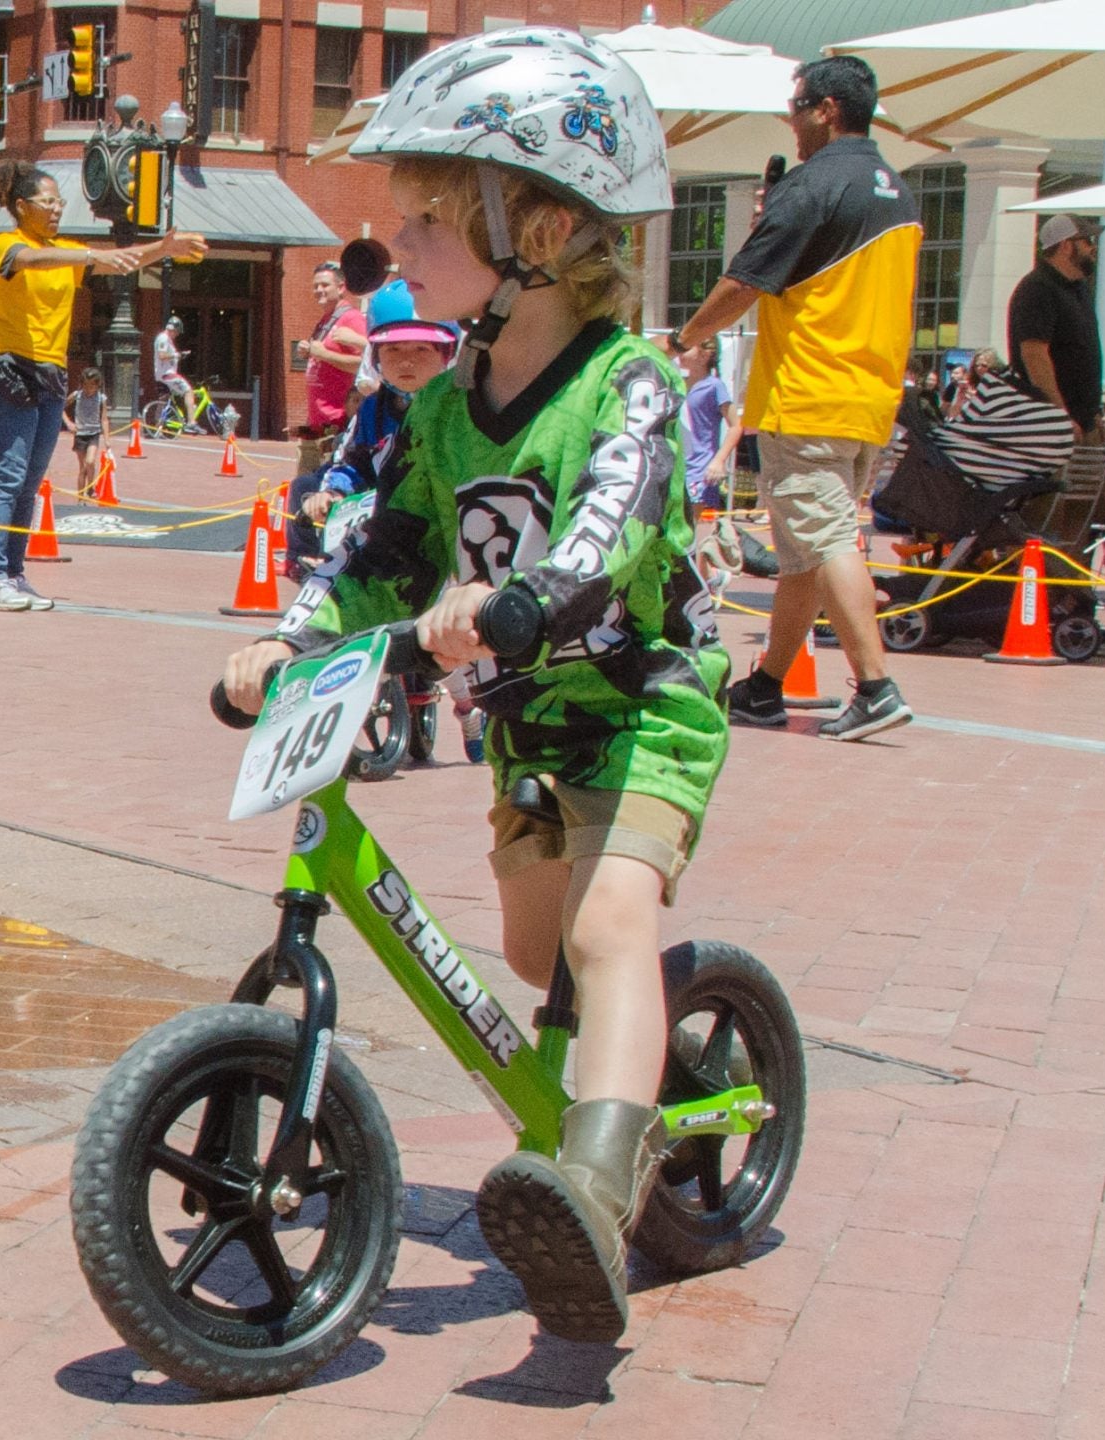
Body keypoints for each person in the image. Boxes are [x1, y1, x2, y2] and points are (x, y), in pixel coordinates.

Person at [233, 28, 720, 1345]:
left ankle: (598, 1192)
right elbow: (386, 547)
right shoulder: (446, 406)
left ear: (546, 228)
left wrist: (512, 606)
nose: (399, 245)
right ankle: (618, 1086)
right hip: (525, 726)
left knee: (611, 932)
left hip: (638, 703)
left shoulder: (629, 388)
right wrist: (295, 638)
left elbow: (605, 533)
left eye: (432, 221)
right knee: (533, 952)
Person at [666, 54, 918, 742]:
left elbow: (744, 280)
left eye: (797, 104)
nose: (791, 117)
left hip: (808, 393)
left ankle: (875, 685)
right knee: (804, 551)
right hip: (869, 401)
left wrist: (687, 336)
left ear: (827, 109)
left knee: (827, 538)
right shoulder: (896, 189)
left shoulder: (811, 189)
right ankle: (768, 685)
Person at [0, 160, 203, 609]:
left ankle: (13, 576)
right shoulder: (6, 245)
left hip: (51, 372)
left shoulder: (68, 252)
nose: (57, 210)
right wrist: (91, 255)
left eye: (59, 202)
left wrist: (164, 246)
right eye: (48, 202)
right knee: (10, 474)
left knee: (32, 478)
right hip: (8, 366)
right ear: (22, 207)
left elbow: (122, 262)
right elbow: (34, 260)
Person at [286, 314, 457, 573]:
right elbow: (354, 463)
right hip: (382, 531)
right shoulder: (373, 409)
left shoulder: (458, 408)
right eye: (393, 349)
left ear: (446, 354)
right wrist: (333, 492)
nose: (406, 361)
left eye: (422, 349)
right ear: (376, 357)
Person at [1008, 214, 1104, 441]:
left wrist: (1093, 412)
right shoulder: (1037, 288)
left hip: (1083, 421)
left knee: (1086, 477)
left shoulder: (1078, 287)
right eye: (1087, 240)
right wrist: (1059, 415)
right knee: (1060, 478)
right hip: (1052, 427)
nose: (1093, 248)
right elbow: (1034, 354)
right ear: (1066, 246)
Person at [294, 261, 367, 473]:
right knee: (304, 492)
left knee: (322, 495)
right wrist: (308, 350)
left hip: (338, 427)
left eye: (325, 285)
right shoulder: (326, 320)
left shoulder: (351, 318)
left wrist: (323, 354)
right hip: (316, 427)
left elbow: (366, 365)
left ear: (341, 287)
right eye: (316, 286)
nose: (319, 290)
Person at [676, 338, 740, 510]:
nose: (680, 352)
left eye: (687, 348)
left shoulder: (714, 387)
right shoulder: (678, 384)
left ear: (704, 356)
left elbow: (735, 425)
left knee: (690, 524)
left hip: (700, 467)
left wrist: (719, 460)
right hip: (677, 464)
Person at [65, 368, 108, 499]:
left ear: (97, 385)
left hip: (94, 433)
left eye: (92, 385)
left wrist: (107, 439)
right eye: (86, 385)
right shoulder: (76, 395)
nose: (88, 388)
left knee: (90, 461)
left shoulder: (101, 398)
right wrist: (69, 423)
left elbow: (104, 419)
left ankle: (91, 486)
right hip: (80, 434)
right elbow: (60, 407)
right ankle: (80, 496)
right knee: (82, 467)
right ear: (82, 384)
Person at [153, 315, 192, 421]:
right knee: (188, 391)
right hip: (167, 374)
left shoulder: (166, 339)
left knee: (163, 400)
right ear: (173, 330)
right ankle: (192, 422)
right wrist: (177, 355)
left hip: (162, 374)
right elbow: (162, 356)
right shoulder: (163, 338)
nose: (178, 335)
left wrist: (179, 356)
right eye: (177, 332)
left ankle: (157, 429)